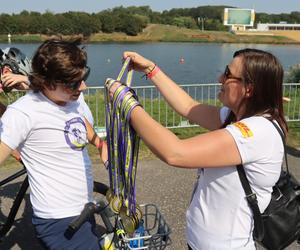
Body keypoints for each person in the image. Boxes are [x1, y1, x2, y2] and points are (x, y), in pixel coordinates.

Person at [108, 49, 287, 249]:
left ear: (249, 89)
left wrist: (126, 102)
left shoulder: (255, 132)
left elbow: (175, 153)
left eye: (228, 74)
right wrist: (151, 69)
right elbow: (188, 107)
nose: (220, 78)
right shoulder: (236, 117)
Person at [0, 39, 107, 249]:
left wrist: (105, 152)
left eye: (84, 77)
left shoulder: (71, 102)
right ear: (48, 83)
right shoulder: (23, 113)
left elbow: (90, 135)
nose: (83, 86)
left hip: (82, 210)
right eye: (74, 83)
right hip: (59, 220)